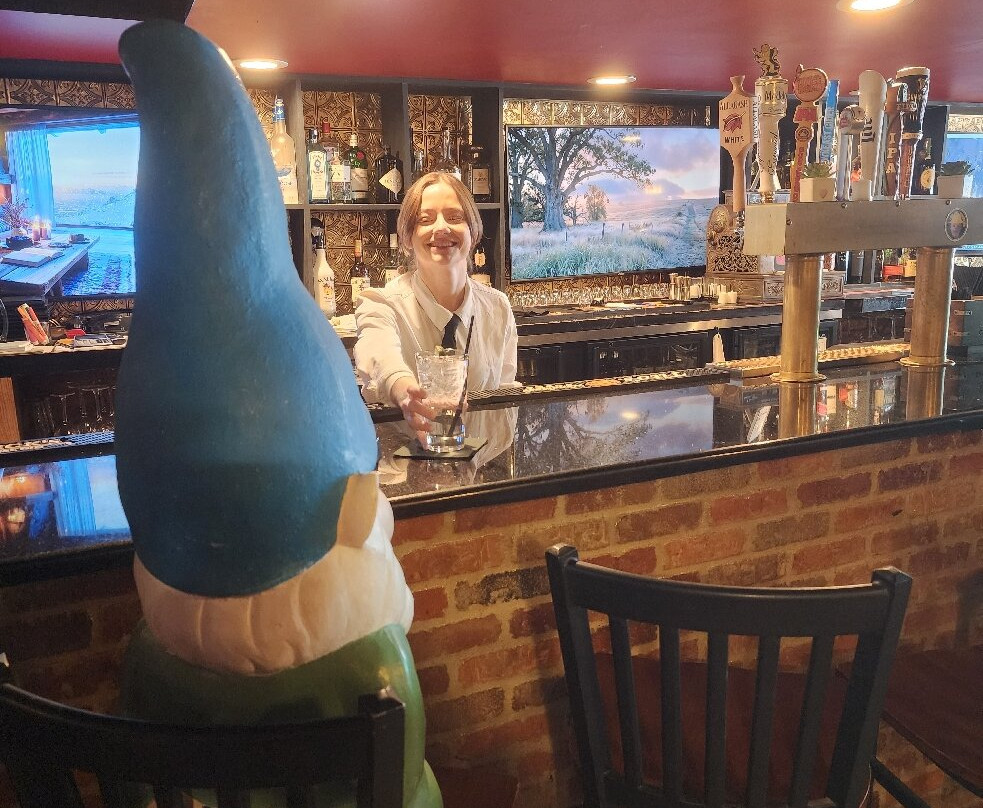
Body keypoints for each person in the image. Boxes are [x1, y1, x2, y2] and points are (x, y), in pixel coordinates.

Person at [354, 172, 518, 436]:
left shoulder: (497, 308)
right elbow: (379, 355)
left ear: (474, 232)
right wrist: (404, 390)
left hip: (480, 459)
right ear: (407, 237)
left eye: (455, 217)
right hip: (403, 459)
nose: (441, 228)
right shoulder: (382, 304)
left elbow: (503, 404)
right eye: (425, 219)